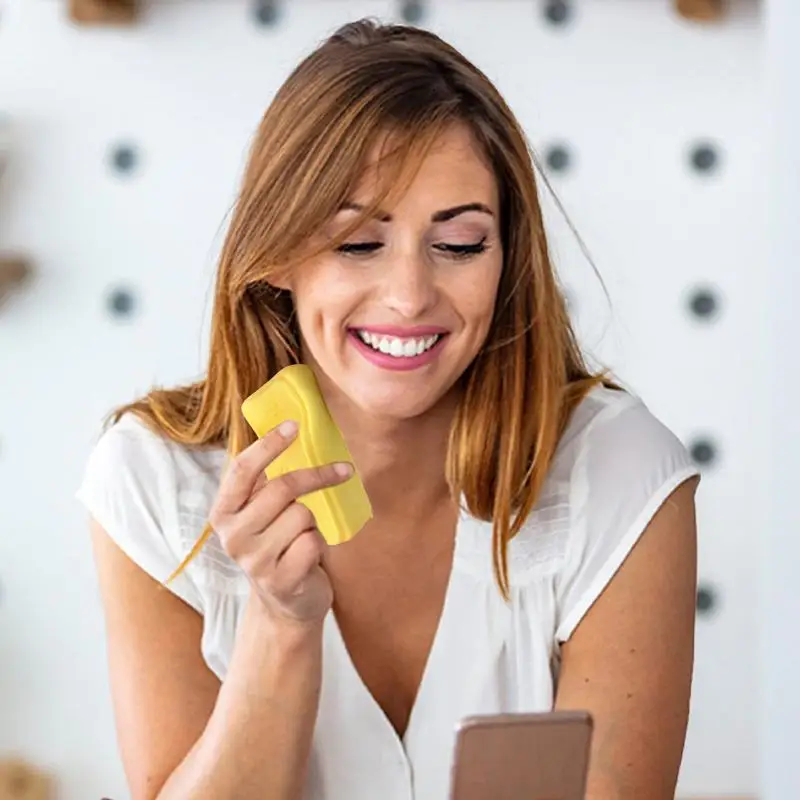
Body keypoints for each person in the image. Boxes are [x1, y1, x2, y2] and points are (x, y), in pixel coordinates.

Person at [76, 18, 700, 800]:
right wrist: (280, 622)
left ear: (508, 260)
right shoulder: (153, 481)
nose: (409, 296)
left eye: (462, 244)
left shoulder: (620, 473)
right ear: (276, 258)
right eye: (357, 244)